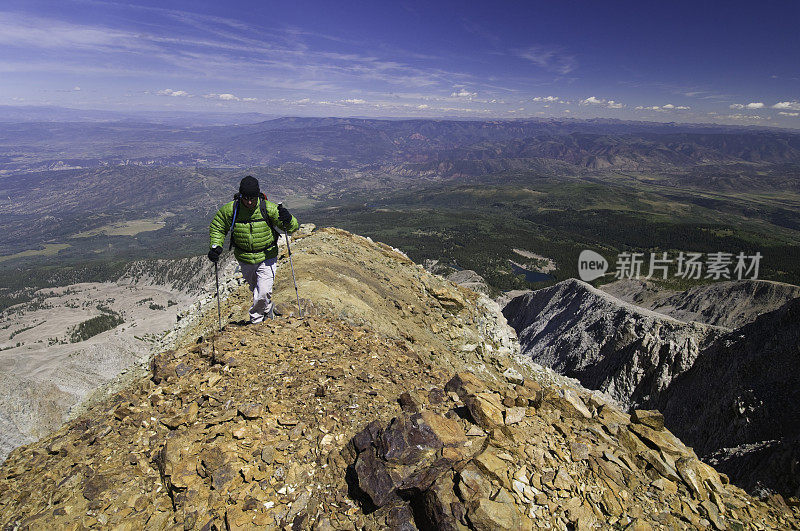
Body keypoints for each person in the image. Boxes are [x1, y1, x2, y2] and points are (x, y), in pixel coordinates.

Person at [208, 176, 299, 323]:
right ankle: (268, 309)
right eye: (246, 198)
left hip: (267, 256)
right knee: (256, 289)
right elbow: (218, 227)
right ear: (240, 195)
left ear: (258, 195)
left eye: (252, 198)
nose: (249, 202)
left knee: (263, 291)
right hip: (244, 258)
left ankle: (256, 321)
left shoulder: (268, 208)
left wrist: (288, 219)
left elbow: (292, 228)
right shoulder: (231, 210)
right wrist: (216, 246)